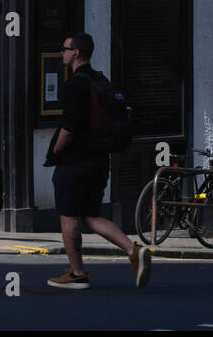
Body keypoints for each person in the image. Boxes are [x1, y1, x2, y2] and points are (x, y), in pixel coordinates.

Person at [44, 32, 150, 289]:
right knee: (91, 215)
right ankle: (132, 249)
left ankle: (77, 273)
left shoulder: (74, 86)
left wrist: (55, 152)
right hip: (100, 161)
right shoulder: (100, 80)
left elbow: (70, 127)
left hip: (74, 163)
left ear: (76, 52)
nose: (62, 53)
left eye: (65, 48)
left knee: (69, 217)